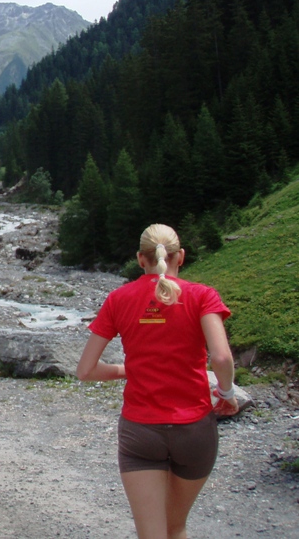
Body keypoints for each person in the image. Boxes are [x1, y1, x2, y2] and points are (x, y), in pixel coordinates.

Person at [76, 224, 237, 539]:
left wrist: (127, 370)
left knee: (152, 534)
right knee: (175, 527)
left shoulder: (119, 299)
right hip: (195, 430)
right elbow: (221, 358)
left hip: (141, 431)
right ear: (181, 257)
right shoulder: (203, 296)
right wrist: (226, 392)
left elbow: (85, 371)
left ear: (140, 259)